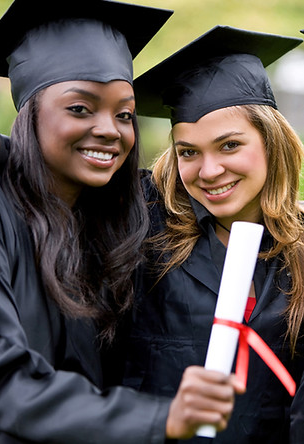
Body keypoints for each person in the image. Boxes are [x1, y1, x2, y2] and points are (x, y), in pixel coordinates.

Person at [0, 1, 246, 442]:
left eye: (124, 113)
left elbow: (219, 195)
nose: (110, 130)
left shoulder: (116, 213)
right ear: (29, 112)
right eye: (80, 108)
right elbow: (6, 383)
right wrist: (159, 419)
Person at [120, 25, 304, 443]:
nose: (208, 171)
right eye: (188, 151)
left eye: (229, 145)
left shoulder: (300, 247)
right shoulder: (143, 222)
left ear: (270, 140)